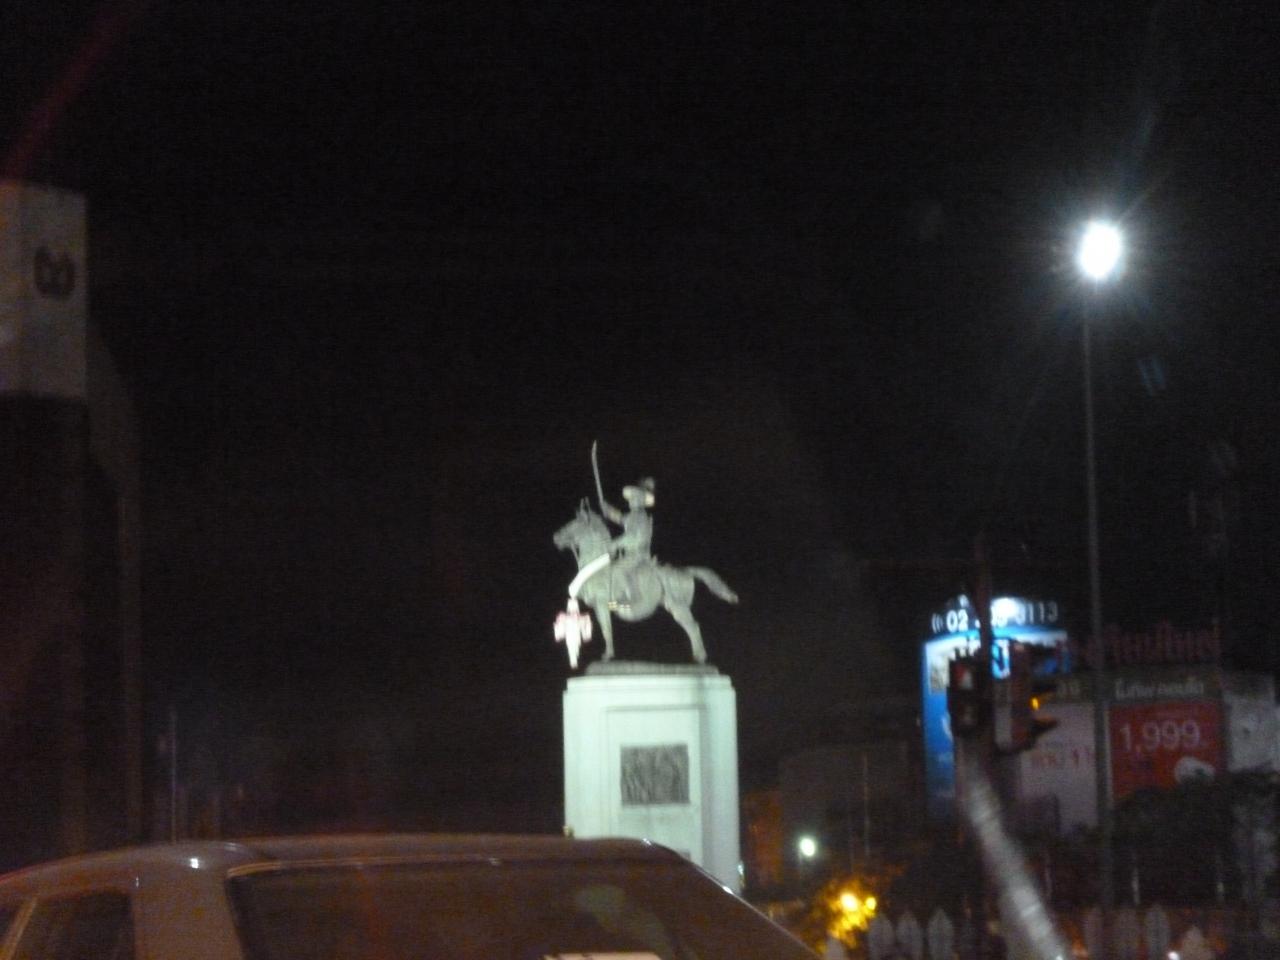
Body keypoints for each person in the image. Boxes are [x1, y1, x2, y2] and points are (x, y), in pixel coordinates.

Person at [601, 478, 655, 607]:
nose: (630, 500)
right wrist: (607, 509)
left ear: (641, 501)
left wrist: (615, 544)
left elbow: (633, 537)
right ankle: (615, 597)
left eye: (634, 498)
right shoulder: (632, 516)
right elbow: (620, 518)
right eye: (631, 498)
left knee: (617, 569)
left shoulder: (640, 516)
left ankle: (633, 596)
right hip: (631, 553)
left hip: (639, 553)